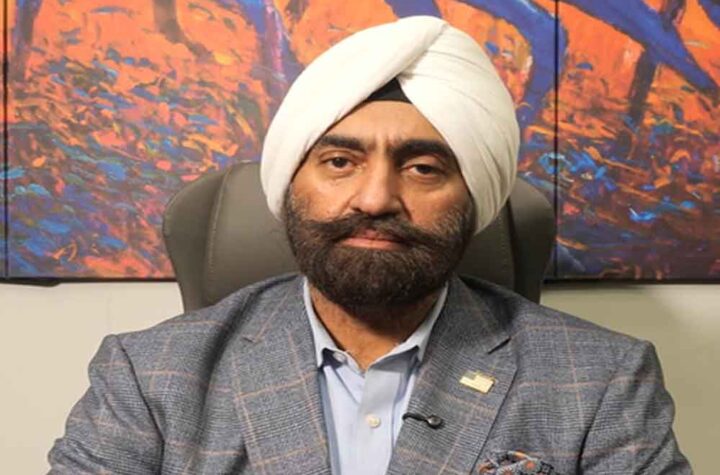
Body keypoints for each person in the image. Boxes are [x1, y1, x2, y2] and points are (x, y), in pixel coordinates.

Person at [48, 16, 690, 474]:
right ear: (291, 186)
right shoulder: (151, 376)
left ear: (475, 199)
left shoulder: (600, 379)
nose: (376, 198)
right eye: (339, 162)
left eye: (423, 168)